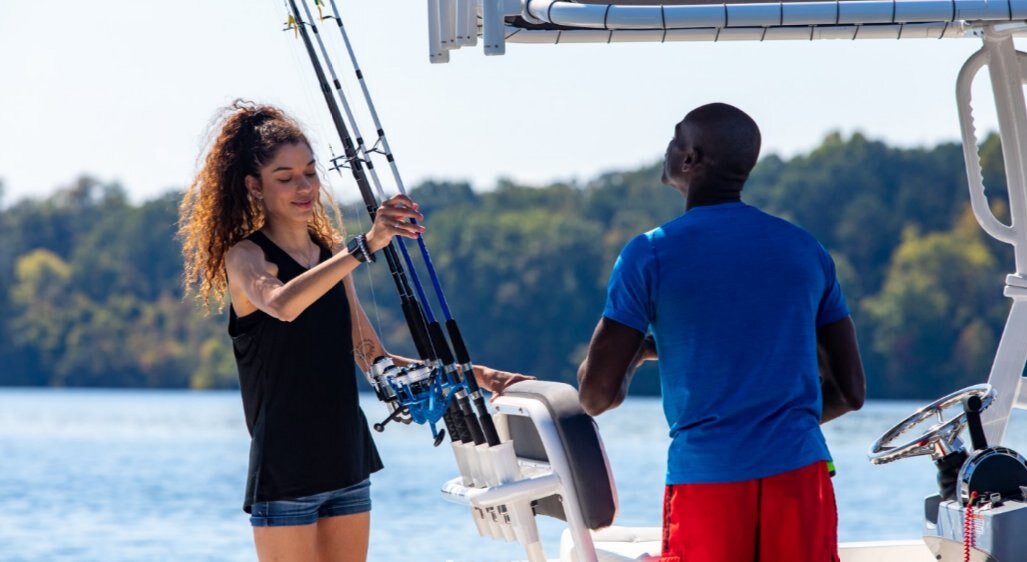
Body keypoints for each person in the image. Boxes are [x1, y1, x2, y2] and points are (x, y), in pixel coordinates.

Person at [178, 100, 529, 562]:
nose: (304, 187)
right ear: (254, 186)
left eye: (310, 172)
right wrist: (364, 246)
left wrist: (479, 375)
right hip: (284, 469)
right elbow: (282, 305)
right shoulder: (246, 257)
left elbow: (372, 356)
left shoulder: (330, 257)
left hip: (347, 459)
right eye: (285, 177)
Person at [576, 103, 866, 562]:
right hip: (800, 475)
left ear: (690, 158)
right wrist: (774, 429)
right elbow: (850, 393)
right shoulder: (805, 250)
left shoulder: (649, 254)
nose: (667, 149)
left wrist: (634, 357)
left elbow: (596, 396)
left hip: (708, 480)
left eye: (674, 140)